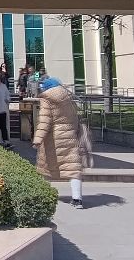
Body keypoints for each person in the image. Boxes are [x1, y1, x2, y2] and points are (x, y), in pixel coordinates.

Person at [32, 77, 93, 209]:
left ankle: (42, 197)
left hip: (53, 139)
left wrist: (38, 139)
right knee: (73, 169)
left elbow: (45, 121)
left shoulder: (47, 100)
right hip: (70, 137)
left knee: (45, 168)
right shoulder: (68, 98)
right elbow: (75, 119)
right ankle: (77, 199)